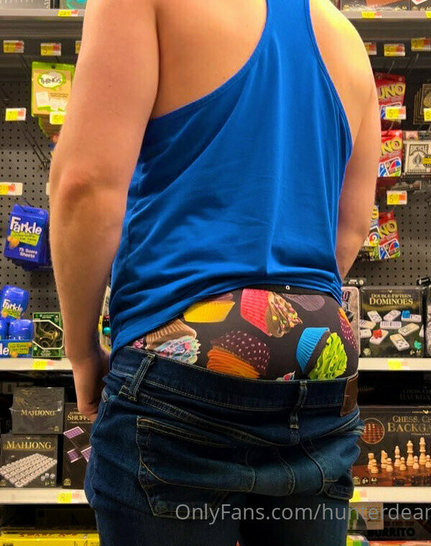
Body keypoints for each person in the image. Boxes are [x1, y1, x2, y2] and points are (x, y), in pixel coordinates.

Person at [49, 0, 380, 544]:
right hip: (323, 362)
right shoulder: (345, 39)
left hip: (184, 358)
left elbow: (85, 186)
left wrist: (83, 350)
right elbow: (351, 229)